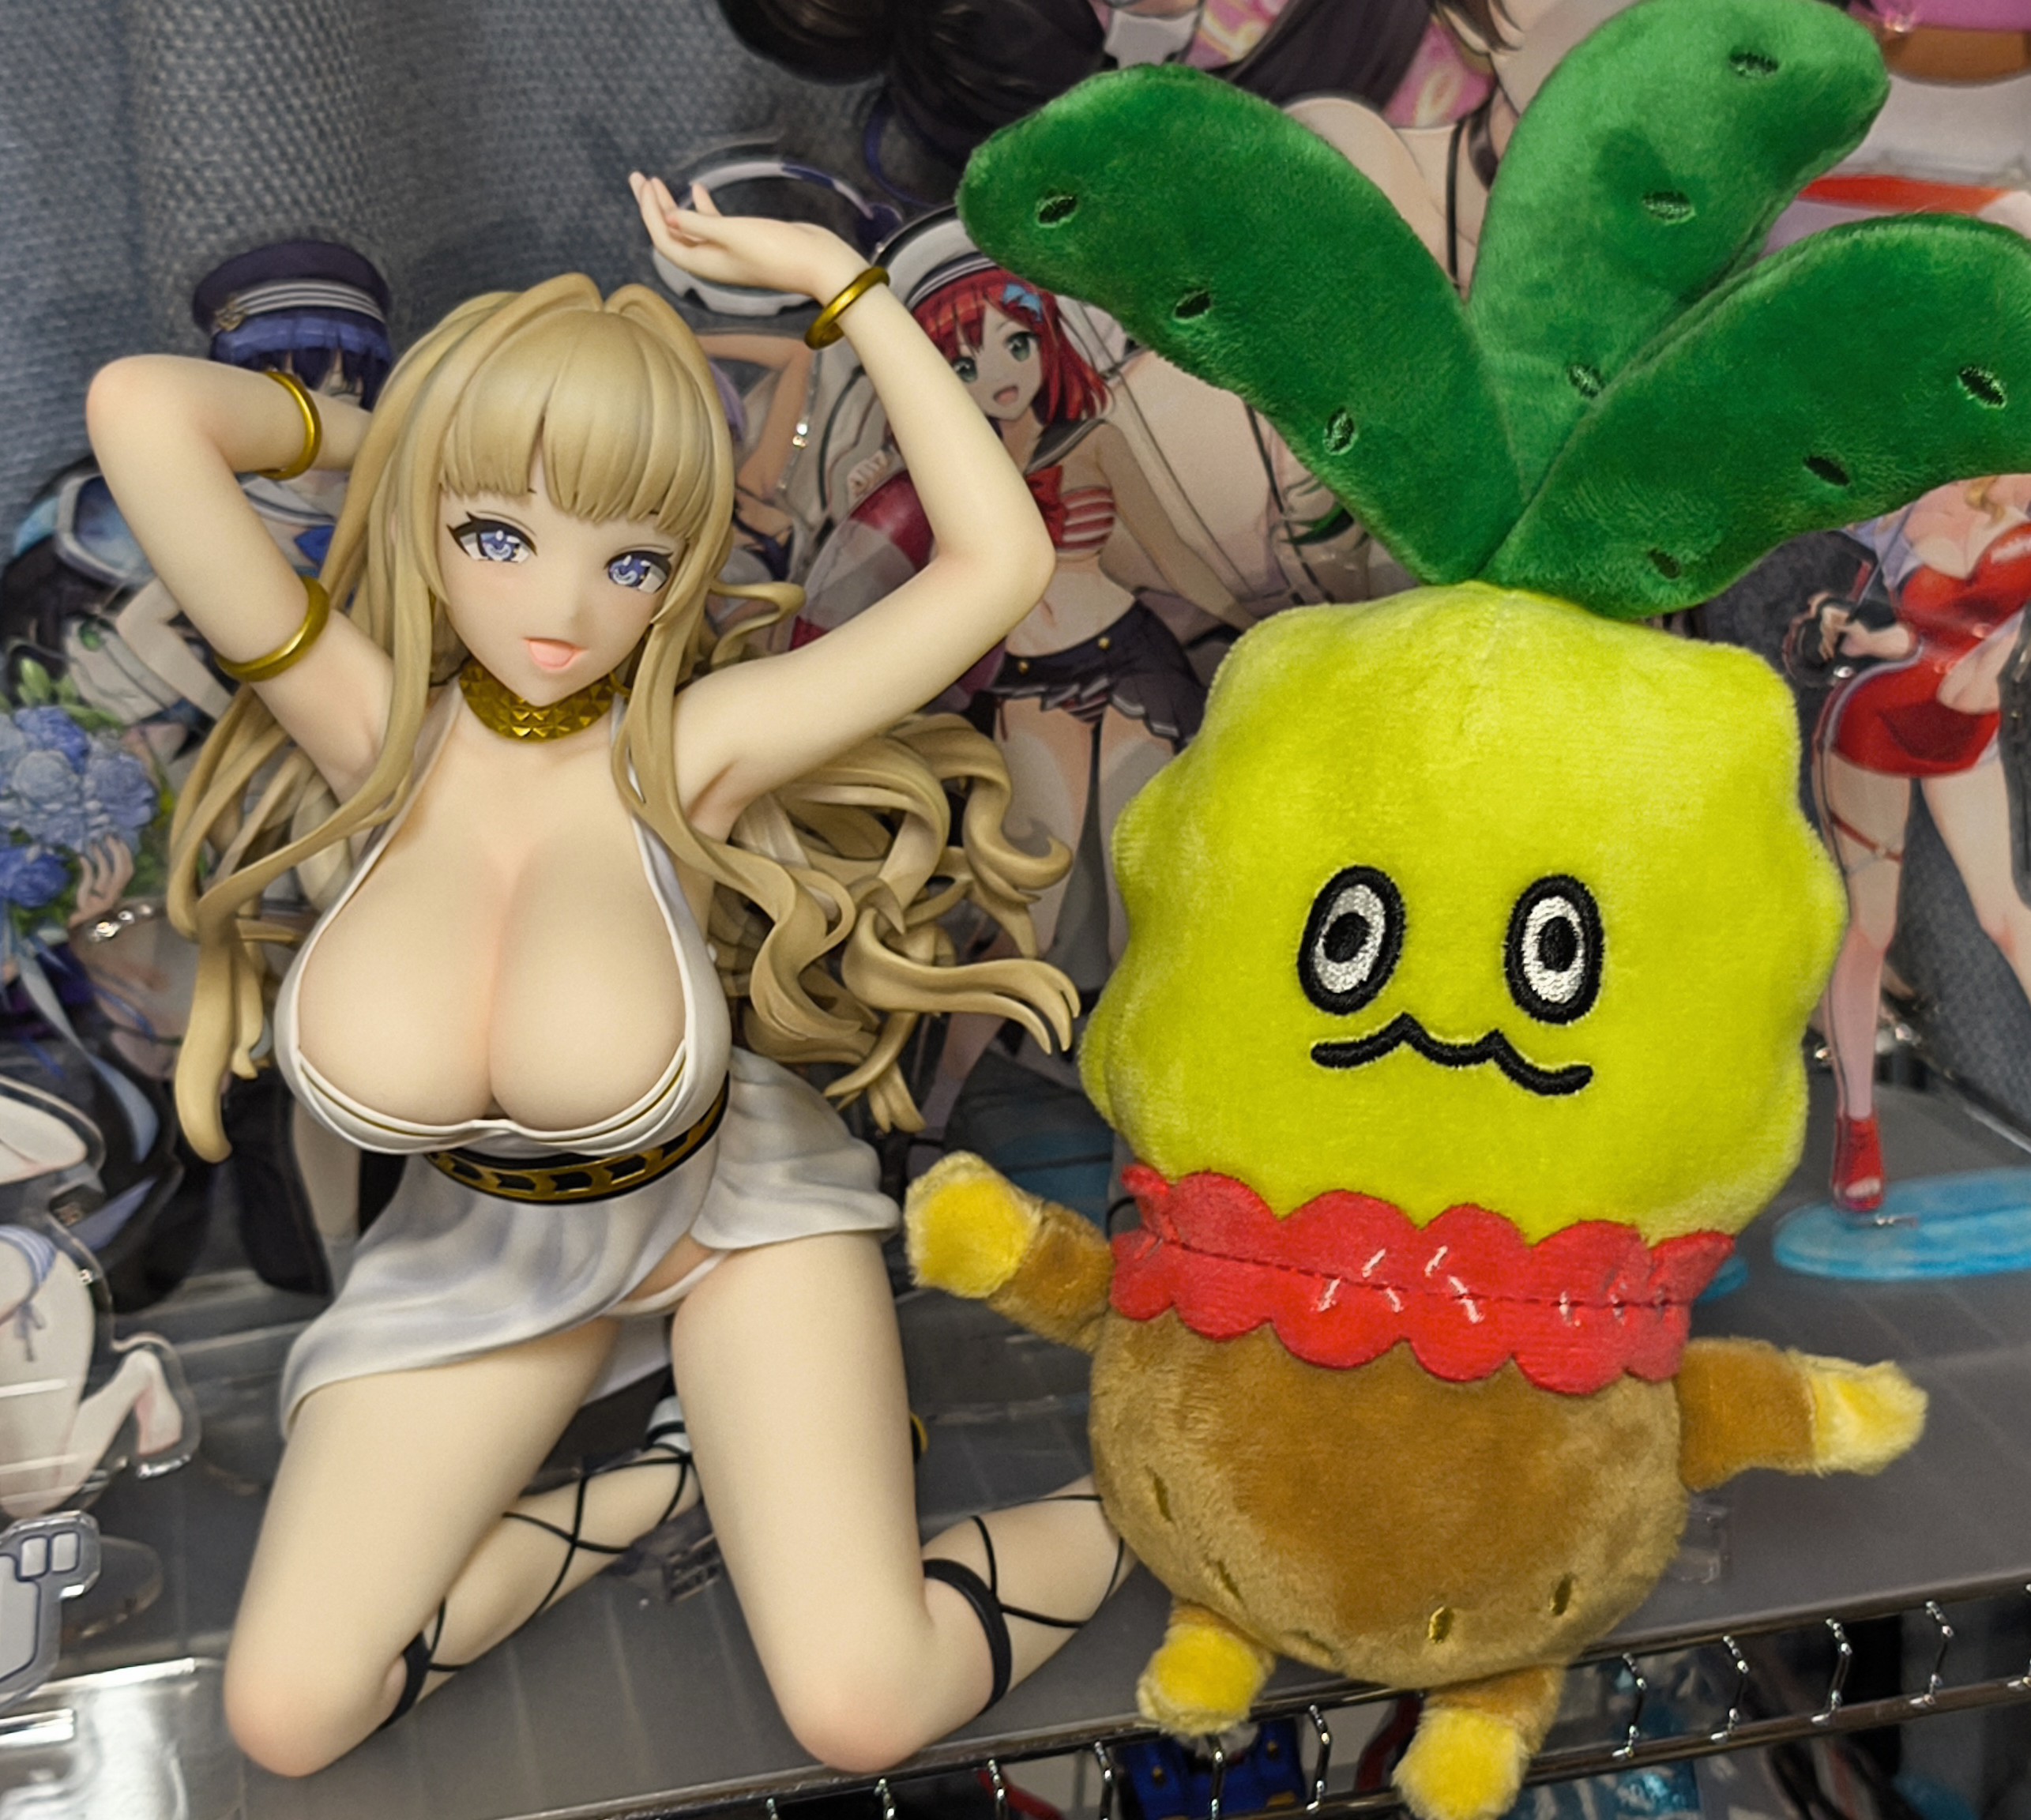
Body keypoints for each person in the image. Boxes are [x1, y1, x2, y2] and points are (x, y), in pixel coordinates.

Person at [86, 179, 1125, 1778]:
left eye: (632, 560)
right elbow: (143, 413)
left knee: (861, 1705)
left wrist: (837, 279)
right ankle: (661, 1478)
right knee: (289, 1715)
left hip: (731, 1229)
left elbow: (995, 561)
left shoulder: (693, 749)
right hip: (482, 1256)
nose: (565, 611)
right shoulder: (364, 722)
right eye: (500, 536)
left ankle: (1167, 1499)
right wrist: (413, 435)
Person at [1813, 474, 2031, 1209]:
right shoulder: (1896, 509)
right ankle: (1857, 1128)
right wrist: (1853, 629)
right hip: (1878, 724)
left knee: (2006, 917)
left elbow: (1973, 637)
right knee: (1870, 929)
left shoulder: (2019, 489)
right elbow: (1916, 635)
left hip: (1966, 734)